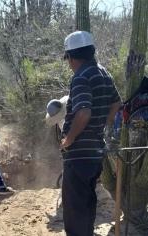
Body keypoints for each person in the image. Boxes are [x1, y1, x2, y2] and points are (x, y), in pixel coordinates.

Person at [60, 31, 121, 236]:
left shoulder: (81, 77)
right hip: (95, 152)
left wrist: (69, 140)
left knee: (75, 210)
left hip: (79, 154)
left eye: (67, 58)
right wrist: (102, 125)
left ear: (71, 56)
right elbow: (116, 103)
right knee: (87, 203)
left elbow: (84, 111)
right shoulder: (103, 73)